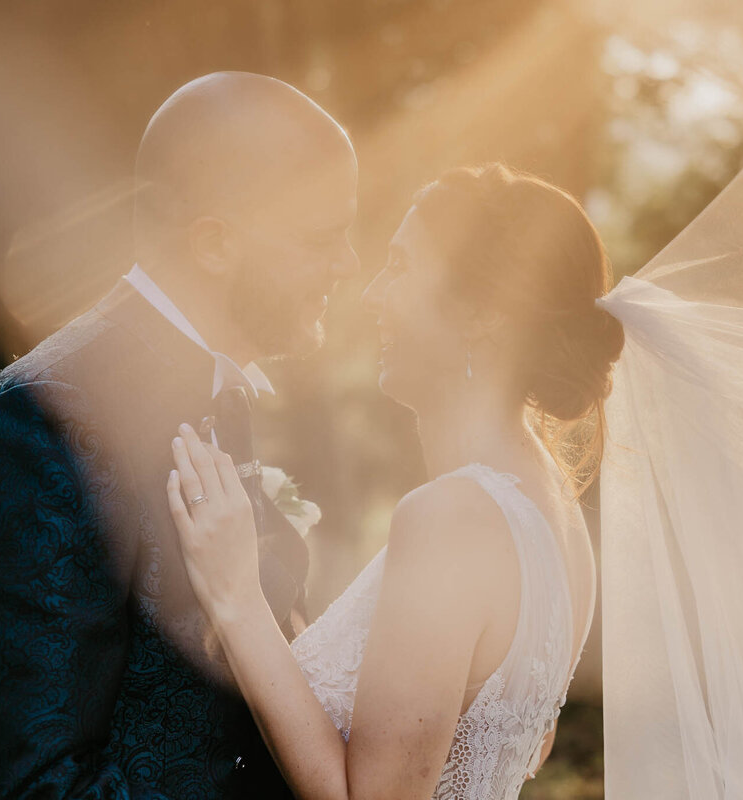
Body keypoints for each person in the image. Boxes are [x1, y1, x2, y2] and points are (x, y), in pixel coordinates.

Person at [0, 71, 359, 798]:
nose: (346, 265)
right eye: (321, 239)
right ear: (214, 245)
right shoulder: (31, 433)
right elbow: (18, 785)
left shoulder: (219, 397)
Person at [167, 163, 621, 799]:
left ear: (483, 316)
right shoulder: (558, 523)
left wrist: (236, 598)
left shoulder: (451, 519)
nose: (372, 294)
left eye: (401, 267)